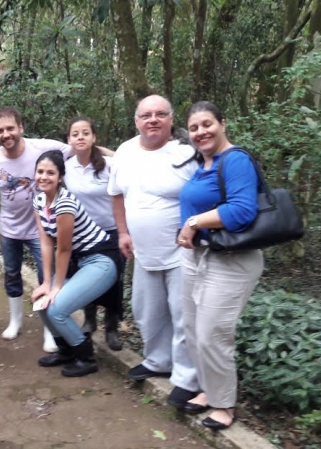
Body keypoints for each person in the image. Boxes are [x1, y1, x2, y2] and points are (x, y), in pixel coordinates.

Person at [107, 94, 199, 409]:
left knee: (183, 315)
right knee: (147, 310)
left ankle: (187, 379)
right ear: (136, 121)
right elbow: (116, 194)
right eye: (146, 115)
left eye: (160, 114)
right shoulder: (125, 152)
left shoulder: (187, 153)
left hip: (182, 252)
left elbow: (206, 194)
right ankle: (159, 360)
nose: (153, 120)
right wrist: (122, 232)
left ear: (171, 119)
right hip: (142, 251)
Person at [176, 101, 262, 429]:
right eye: (194, 128)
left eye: (207, 124)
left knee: (212, 333)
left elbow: (242, 211)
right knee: (192, 328)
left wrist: (194, 222)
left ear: (222, 124)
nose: (201, 132)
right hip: (199, 256)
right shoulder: (203, 164)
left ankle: (224, 405)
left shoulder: (235, 160)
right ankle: (208, 391)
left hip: (232, 259)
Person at [0, 106, 71, 352]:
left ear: (20, 127)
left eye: (10, 128)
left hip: (41, 230)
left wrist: (116, 156)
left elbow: (77, 148)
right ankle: (15, 321)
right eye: (0, 130)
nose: (6, 134)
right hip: (9, 229)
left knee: (46, 277)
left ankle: (50, 330)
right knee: (12, 273)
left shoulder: (41, 148)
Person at [31, 151, 120, 377]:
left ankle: (86, 358)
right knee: (42, 302)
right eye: (40, 172)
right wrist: (46, 284)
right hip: (79, 262)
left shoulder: (65, 204)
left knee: (57, 307)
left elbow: (64, 249)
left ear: (60, 177)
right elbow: (45, 243)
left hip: (101, 260)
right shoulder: (39, 200)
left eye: (50, 173)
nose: (44, 177)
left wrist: (57, 287)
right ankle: (66, 352)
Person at [63, 117, 125, 351]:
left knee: (114, 281)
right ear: (69, 140)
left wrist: (99, 149)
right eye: (75, 134)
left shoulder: (109, 164)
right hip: (81, 233)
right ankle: (89, 320)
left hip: (111, 231)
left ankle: (112, 327)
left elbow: (129, 161)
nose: (80, 137)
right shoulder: (67, 167)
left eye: (85, 133)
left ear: (94, 137)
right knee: (85, 278)